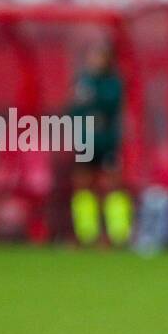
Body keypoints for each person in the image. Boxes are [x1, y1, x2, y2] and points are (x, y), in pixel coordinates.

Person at [69, 41, 128, 247]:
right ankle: (86, 235)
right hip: (86, 143)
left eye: (100, 57)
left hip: (107, 143)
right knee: (84, 187)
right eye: (93, 56)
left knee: (112, 188)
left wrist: (92, 102)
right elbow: (74, 110)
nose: (95, 61)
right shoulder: (82, 81)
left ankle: (117, 235)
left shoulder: (113, 83)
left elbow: (110, 106)